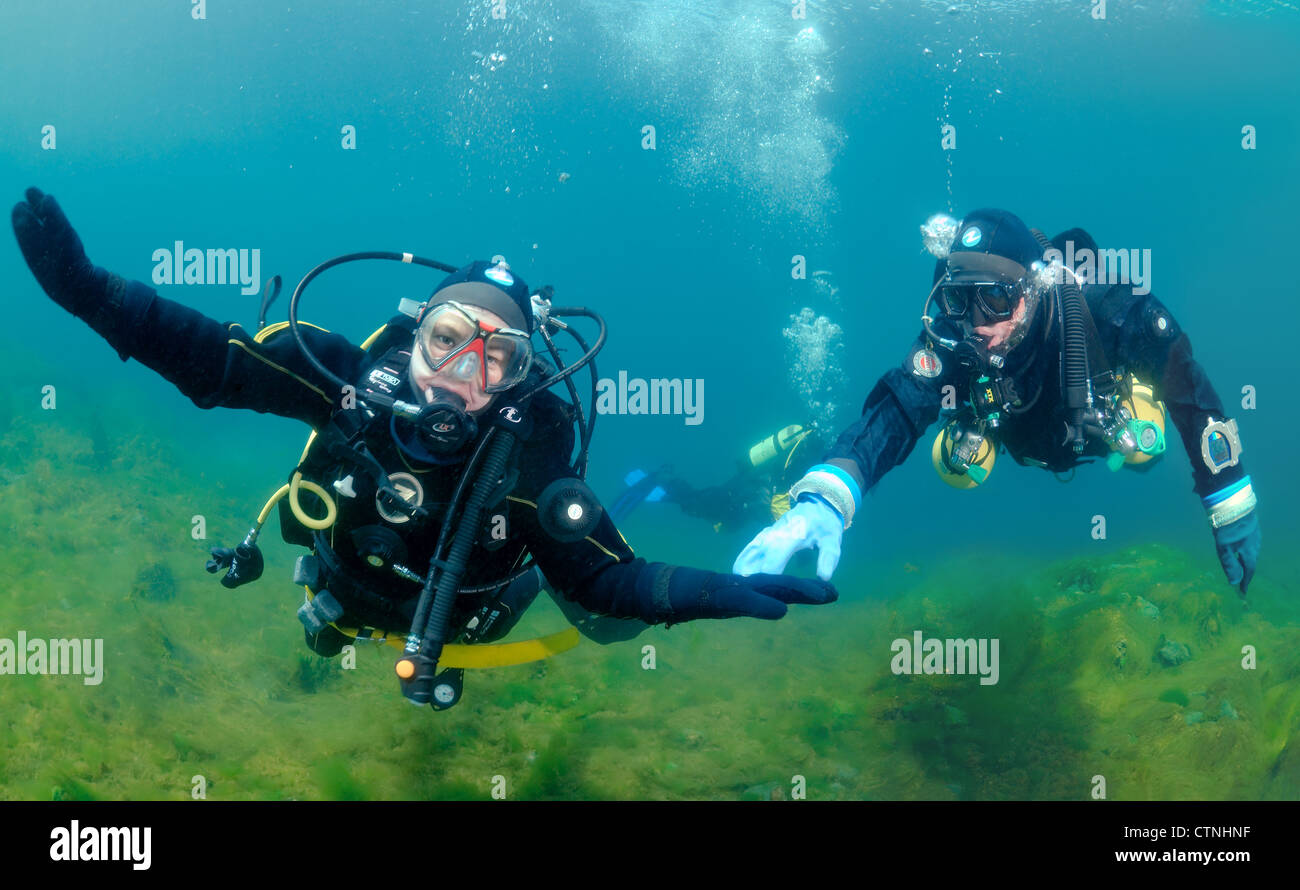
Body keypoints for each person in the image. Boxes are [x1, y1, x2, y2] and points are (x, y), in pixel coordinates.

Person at [11, 187, 837, 709]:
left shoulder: (526, 457)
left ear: (516, 375)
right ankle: (330, 624)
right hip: (339, 582)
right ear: (412, 337)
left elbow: (607, 579)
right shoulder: (346, 383)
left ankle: (649, 488)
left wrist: (702, 590)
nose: (460, 374)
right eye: (446, 338)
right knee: (326, 627)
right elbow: (212, 361)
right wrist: (91, 294)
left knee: (600, 621)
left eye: (495, 356)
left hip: (469, 620)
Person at [734, 208, 1261, 595]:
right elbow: (896, 412)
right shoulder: (955, 339)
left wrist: (1229, 499)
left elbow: (1185, 381)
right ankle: (973, 436)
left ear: (1034, 289)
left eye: (996, 298)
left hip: (1102, 419)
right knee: (955, 468)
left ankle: (1132, 415)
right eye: (960, 299)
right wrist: (829, 495)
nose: (977, 323)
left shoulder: (1105, 311)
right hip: (1004, 429)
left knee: (1146, 452)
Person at [609, 423, 826, 534]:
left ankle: (663, 485)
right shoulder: (797, 464)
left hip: (736, 498)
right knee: (693, 502)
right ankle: (660, 478)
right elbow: (778, 496)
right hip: (732, 499)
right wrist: (787, 532)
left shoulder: (797, 460)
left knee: (696, 503)